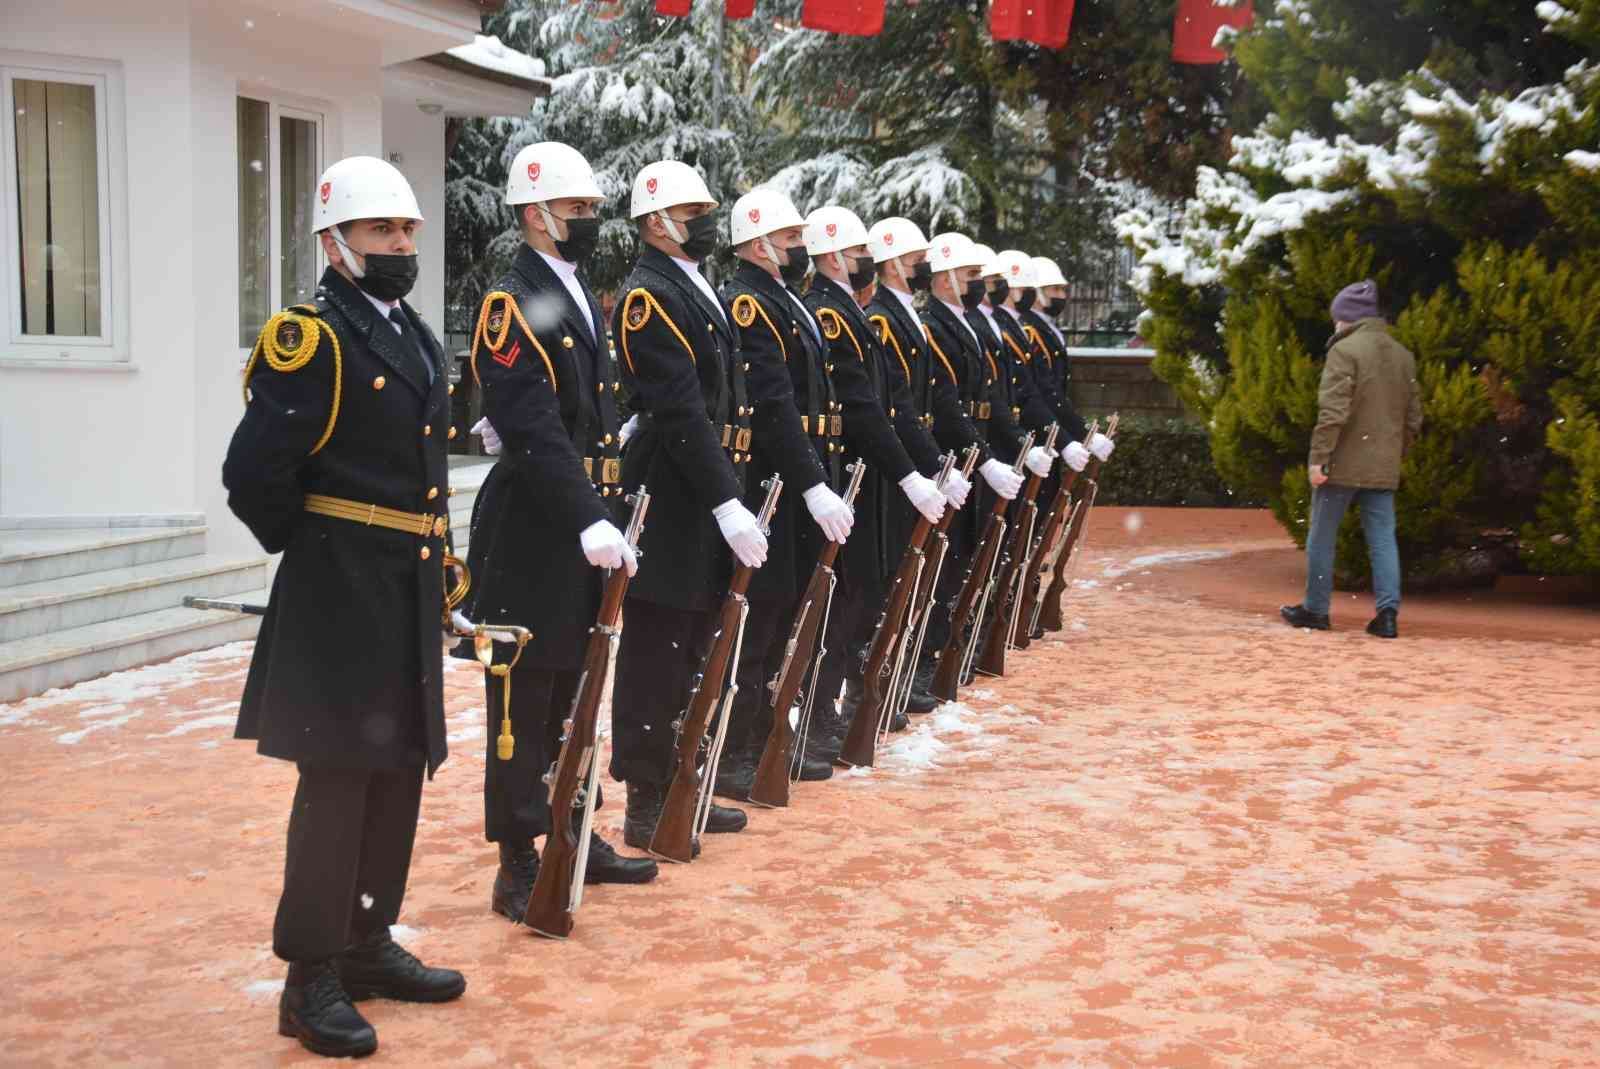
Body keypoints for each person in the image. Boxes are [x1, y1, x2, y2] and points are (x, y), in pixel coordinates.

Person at [223, 156, 464, 1059]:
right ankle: (308, 975)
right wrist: (321, 548)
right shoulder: (312, 336)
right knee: (334, 785)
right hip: (338, 591)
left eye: (407, 233)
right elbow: (253, 475)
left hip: (400, 585)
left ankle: (366, 940)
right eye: (380, 234)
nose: (400, 247)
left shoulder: (411, 334)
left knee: (398, 770)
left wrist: (436, 566)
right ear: (335, 243)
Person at [460, 141, 658, 926]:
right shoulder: (511, 301)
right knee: (523, 701)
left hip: (579, 519)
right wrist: (587, 516)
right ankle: (517, 859)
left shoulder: (575, 291)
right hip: (532, 534)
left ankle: (576, 829)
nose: (591, 222)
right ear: (536, 214)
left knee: (577, 690)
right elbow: (535, 427)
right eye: (577, 210)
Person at [608, 159, 763, 850]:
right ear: (654, 223)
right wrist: (728, 500)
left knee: (696, 636)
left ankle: (683, 778)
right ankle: (647, 798)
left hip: (702, 481)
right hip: (670, 488)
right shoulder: (651, 295)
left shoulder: (693, 286)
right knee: (657, 646)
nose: (705, 222)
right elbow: (680, 410)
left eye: (706, 210)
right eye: (690, 212)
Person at [713, 187, 854, 798]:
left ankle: (770, 733)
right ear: (757, 243)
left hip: (796, 480)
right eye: (793, 239)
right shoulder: (750, 303)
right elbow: (774, 406)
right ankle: (736, 751)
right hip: (769, 479)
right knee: (759, 622)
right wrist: (813, 483)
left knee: (784, 620)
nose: (802, 248)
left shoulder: (784, 300)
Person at [801, 205, 947, 758]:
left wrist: (928, 467)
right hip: (851, 475)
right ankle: (818, 711)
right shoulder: (832, 313)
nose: (868, 261)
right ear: (836, 255)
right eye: (862, 253)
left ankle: (837, 706)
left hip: (873, 473)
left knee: (863, 596)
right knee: (841, 604)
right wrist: (911, 473)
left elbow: (896, 405)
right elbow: (862, 409)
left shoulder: (852, 313)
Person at [863, 217, 976, 711]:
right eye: (914, 261)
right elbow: (898, 405)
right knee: (890, 575)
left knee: (917, 570)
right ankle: (881, 675)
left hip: (917, 452)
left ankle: (902, 667)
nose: (924, 268)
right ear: (890, 264)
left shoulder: (907, 312)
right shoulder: (885, 318)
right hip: (899, 461)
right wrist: (927, 466)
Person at [1282, 279, 1422, 638]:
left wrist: (1319, 458)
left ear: (1348, 318)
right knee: (1382, 540)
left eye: (1337, 318)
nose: (1335, 325)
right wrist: (1395, 454)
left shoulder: (1344, 352)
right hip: (1383, 465)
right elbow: (1413, 419)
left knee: (1322, 539)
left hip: (1341, 464)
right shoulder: (1403, 355)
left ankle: (1316, 610)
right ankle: (1387, 615)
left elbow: (1332, 413)